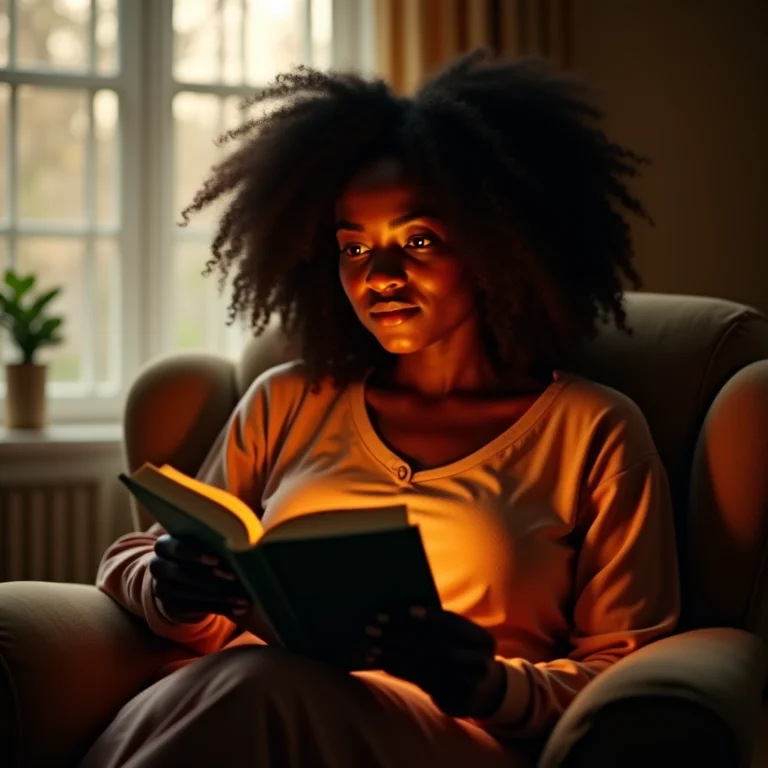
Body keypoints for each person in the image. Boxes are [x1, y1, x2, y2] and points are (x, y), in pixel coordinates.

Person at [80, 49, 680, 768]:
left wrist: (489, 683)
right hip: (238, 705)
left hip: (447, 739)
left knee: (260, 687)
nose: (380, 277)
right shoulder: (286, 399)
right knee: (247, 684)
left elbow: (625, 673)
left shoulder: (594, 431)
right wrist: (171, 587)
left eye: (418, 240)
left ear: (501, 246)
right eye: (354, 247)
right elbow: (137, 557)